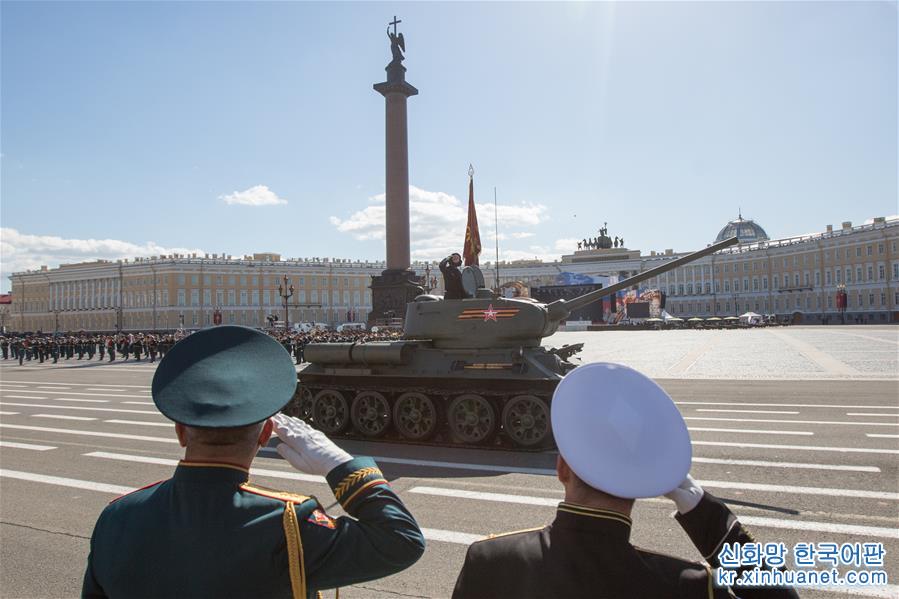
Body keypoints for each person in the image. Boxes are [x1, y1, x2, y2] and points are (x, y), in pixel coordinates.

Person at [82, 325, 425, 599]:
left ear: (180, 432)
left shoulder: (117, 517)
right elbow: (402, 540)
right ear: (264, 438)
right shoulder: (288, 525)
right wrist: (340, 464)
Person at [453, 362, 798, 599]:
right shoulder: (686, 586)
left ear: (562, 469)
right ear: (641, 486)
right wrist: (704, 513)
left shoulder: (491, 560)